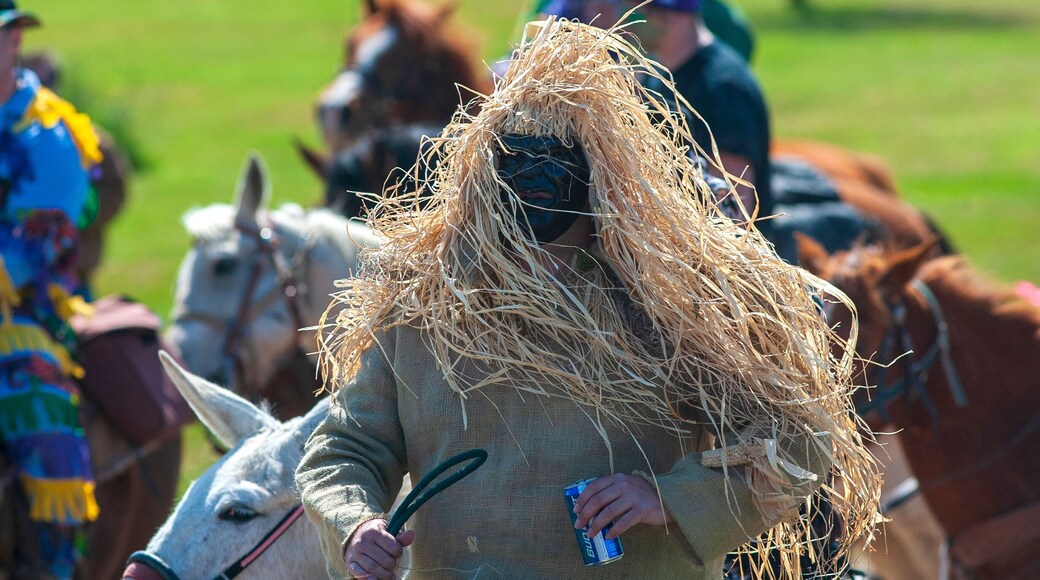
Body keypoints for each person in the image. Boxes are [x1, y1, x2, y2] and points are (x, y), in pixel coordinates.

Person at [296, 19, 878, 580]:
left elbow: (799, 439)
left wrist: (669, 499)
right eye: (515, 163)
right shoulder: (426, 302)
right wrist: (356, 525)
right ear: (485, 174)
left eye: (554, 165)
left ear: (600, 177)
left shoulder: (669, 301)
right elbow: (347, 446)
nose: (533, 183)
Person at [0, 1, 104, 577]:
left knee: (26, 384)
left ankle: (55, 554)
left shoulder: (49, 134)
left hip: (31, 311)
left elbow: (23, 254)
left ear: (14, 42)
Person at [539, 0, 773, 237]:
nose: (621, 16)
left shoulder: (722, 86)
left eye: (633, 8)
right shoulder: (656, 77)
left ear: (665, 14)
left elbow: (735, 209)